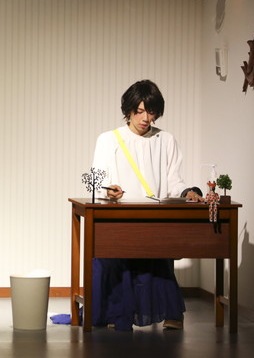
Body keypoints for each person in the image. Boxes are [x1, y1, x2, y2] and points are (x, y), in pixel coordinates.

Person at [90, 79, 203, 331]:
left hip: (154, 217)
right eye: (139, 111)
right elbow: (98, 181)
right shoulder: (108, 140)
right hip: (119, 218)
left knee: (158, 257)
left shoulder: (166, 140)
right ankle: (117, 312)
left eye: (150, 112)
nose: (145, 118)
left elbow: (174, 180)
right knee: (115, 259)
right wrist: (109, 190)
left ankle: (168, 311)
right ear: (128, 109)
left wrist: (187, 191)